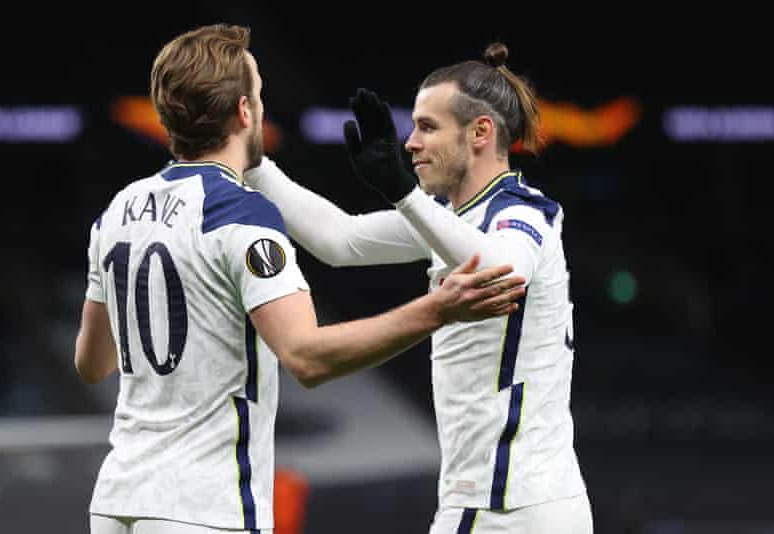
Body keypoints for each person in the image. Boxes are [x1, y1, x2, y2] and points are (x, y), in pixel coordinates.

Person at [74, 25, 527, 534]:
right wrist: (437, 310)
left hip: (115, 502)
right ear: (245, 112)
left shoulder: (118, 211)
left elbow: (93, 363)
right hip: (201, 506)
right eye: (260, 96)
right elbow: (307, 358)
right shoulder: (240, 214)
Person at [243, 43, 592, 533]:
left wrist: (404, 193)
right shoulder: (453, 218)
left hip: (507, 508)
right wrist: (254, 163)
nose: (409, 143)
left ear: (480, 132)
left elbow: (501, 272)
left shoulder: (520, 211)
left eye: (427, 126)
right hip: (506, 502)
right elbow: (341, 240)